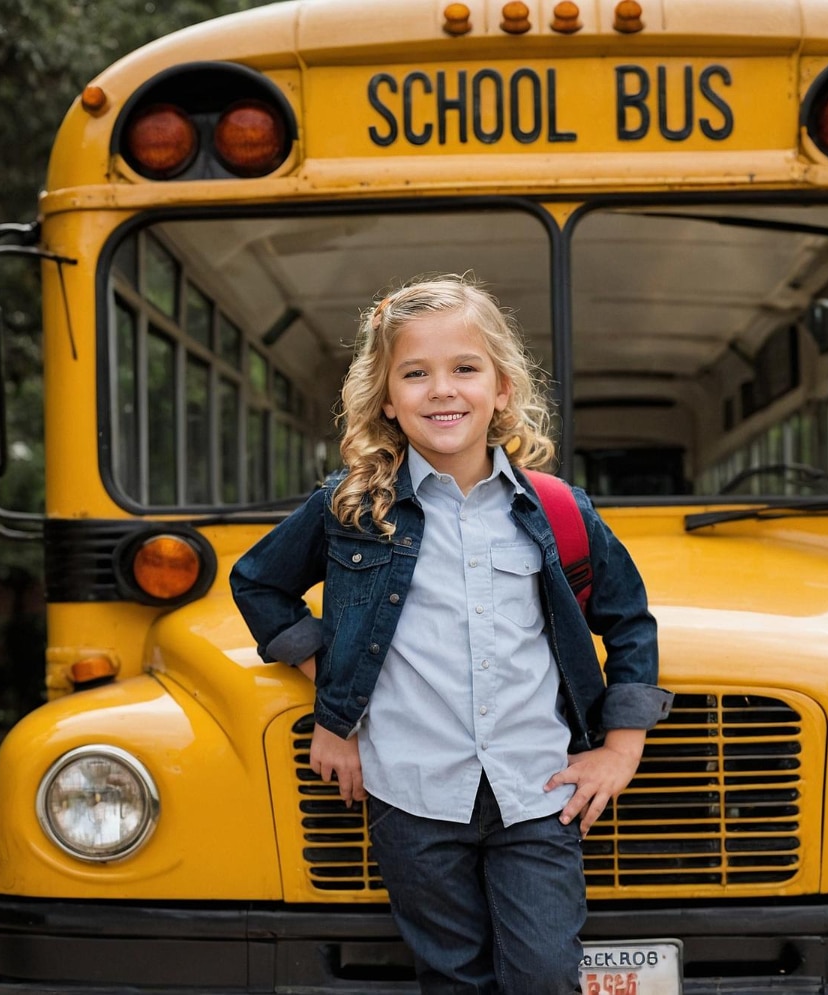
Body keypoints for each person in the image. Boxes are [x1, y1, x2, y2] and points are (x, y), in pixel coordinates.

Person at [231, 274, 671, 994]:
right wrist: (336, 701)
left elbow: (628, 620)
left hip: (537, 792)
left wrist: (620, 748)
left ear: (501, 388)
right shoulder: (351, 508)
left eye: (464, 369)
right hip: (412, 794)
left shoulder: (557, 510)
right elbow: (259, 582)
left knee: (544, 975)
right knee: (453, 976)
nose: (442, 390)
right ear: (386, 397)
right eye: (416, 373)